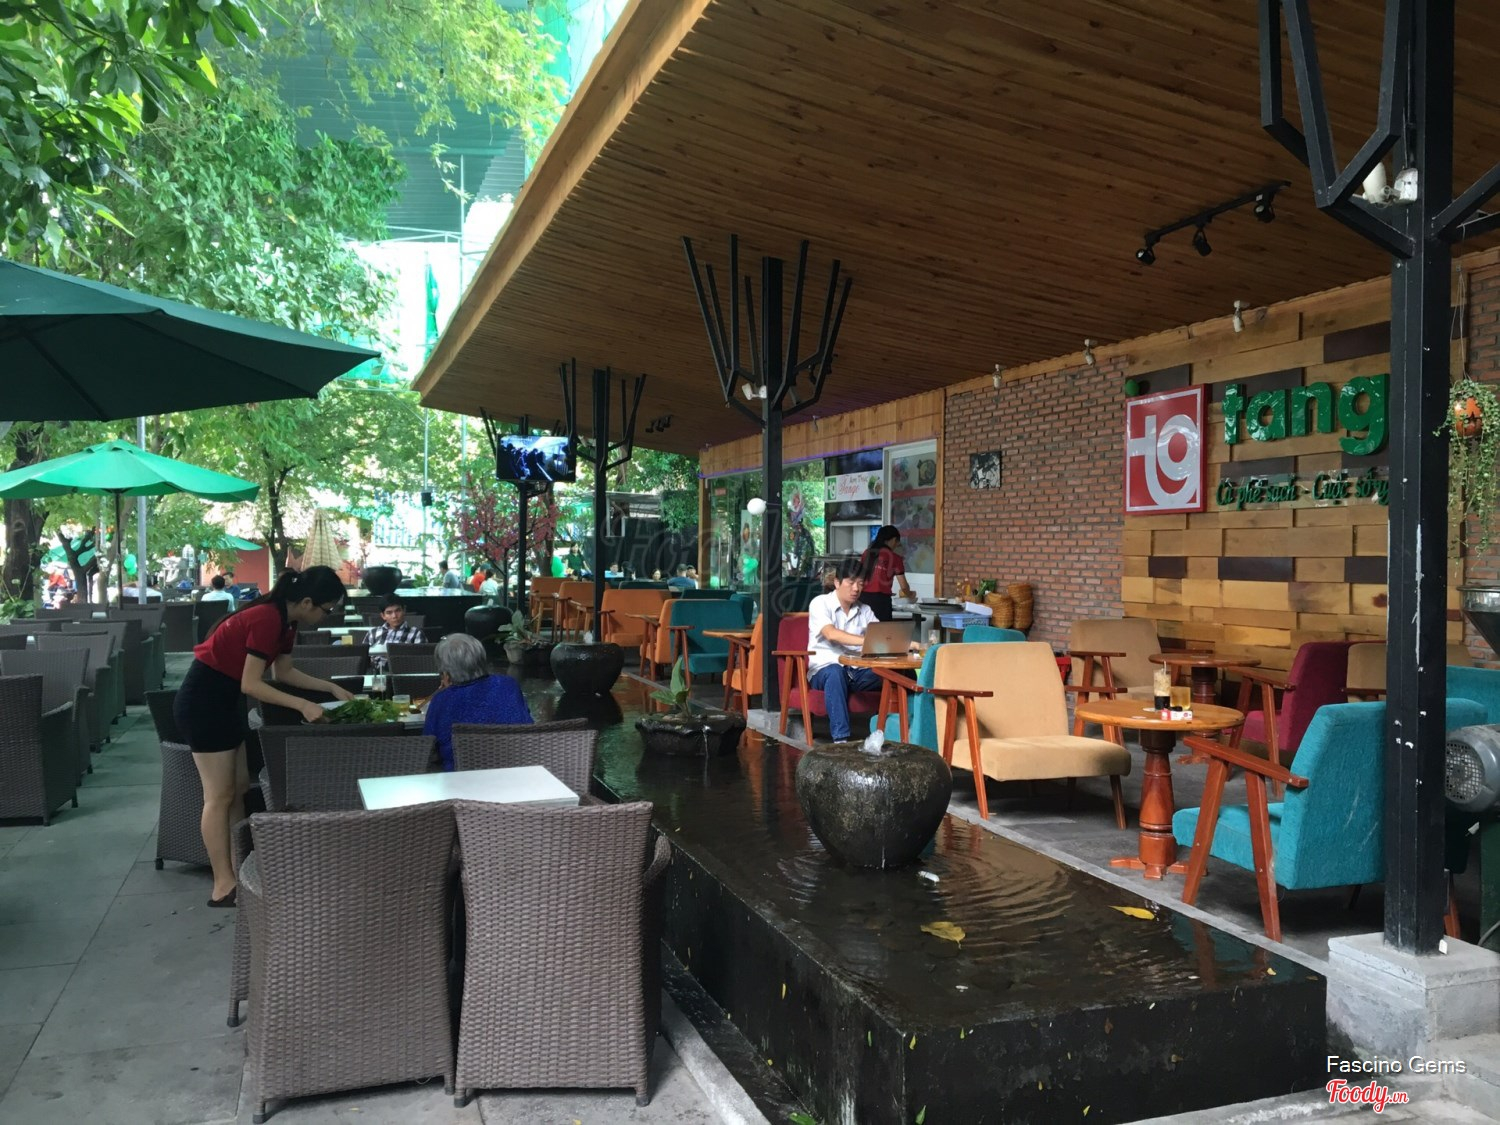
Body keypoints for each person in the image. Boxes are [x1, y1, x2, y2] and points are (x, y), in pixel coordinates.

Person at [172, 566, 354, 907]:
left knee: (238, 788)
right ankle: (223, 885)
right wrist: (303, 705)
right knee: (219, 796)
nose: (325, 617)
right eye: (326, 610)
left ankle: (239, 868)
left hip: (225, 702)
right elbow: (251, 684)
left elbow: (284, 672)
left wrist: (328, 687)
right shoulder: (267, 618)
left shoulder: (287, 622)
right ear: (307, 602)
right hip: (203, 702)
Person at [806, 555, 918, 742]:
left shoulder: (864, 610)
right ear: (837, 582)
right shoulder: (820, 603)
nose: (856, 588)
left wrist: (908, 644)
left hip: (857, 673)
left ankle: (910, 730)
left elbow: (883, 637)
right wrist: (866, 641)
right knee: (835, 672)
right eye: (851, 583)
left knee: (904, 673)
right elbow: (831, 634)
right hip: (824, 672)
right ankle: (841, 740)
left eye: (860, 583)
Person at [423, 632, 532, 770]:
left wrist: (447, 691)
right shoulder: (508, 685)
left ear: (446, 673)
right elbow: (526, 722)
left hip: (459, 778)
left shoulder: (441, 700)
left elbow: (428, 749)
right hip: (515, 773)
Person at [860, 525, 913, 622]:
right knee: (883, 629)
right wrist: (910, 594)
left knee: (863, 628)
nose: (896, 546)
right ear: (894, 540)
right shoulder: (895, 558)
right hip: (881, 601)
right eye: (897, 543)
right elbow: (904, 587)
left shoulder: (866, 553)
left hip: (863, 598)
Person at [362, 595, 425, 672]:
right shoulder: (373, 633)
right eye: (389, 613)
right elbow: (363, 657)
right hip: (376, 673)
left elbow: (420, 661)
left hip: (403, 672)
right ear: (383, 616)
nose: (394, 616)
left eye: (398, 611)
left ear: (404, 610)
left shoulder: (416, 633)